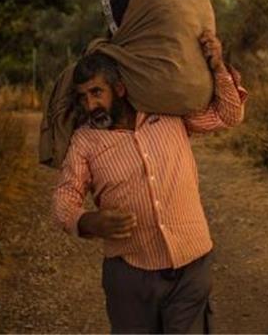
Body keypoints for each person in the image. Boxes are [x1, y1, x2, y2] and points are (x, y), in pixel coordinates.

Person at [52, 28, 247, 334]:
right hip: (130, 274)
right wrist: (89, 221)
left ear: (119, 89)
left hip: (191, 263)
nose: (90, 106)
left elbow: (229, 114)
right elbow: (64, 200)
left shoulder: (168, 114)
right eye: (83, 97)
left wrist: (218, 65)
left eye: (96, 93)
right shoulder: (84, 141)